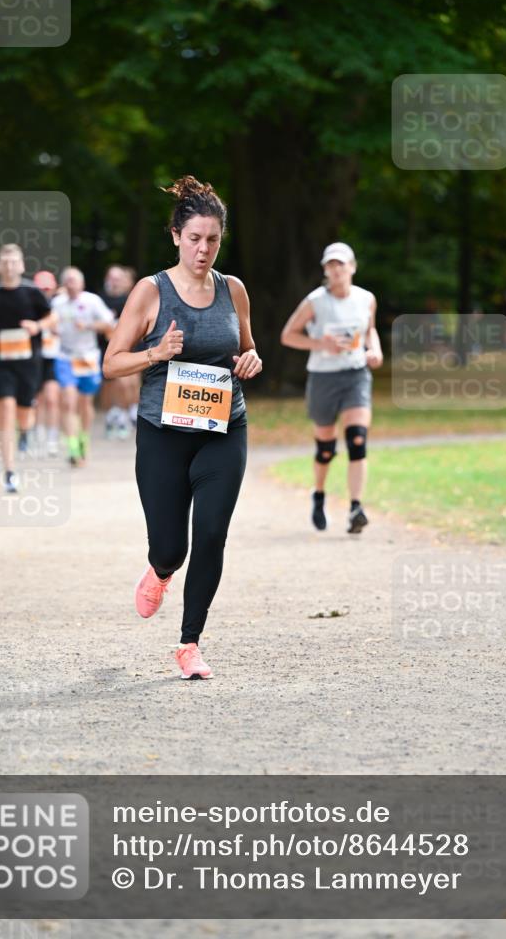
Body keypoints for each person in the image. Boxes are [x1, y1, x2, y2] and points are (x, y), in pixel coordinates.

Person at [104, 176, 262, 680]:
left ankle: (189, 643)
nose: (204, 249)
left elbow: (247, 345)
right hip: (163, 434)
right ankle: (160, 571)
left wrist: (251, 360)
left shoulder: (232, 289)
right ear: (176, 235)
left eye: (213, 239)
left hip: (223, 428)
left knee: (212, 534)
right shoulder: (151, 292)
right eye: (194, 238)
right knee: (172, 546)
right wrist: (156, 352)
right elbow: (111, 364)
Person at [280, 242, 383, 533]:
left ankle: (355, 508)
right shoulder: (316, 301)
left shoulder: (366, 299)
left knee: (357, 439)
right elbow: (288, 335)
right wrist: (319, 344)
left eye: (341, 264)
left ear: (352, 267)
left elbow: (370, 330)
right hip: (323, 377)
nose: (336, 270)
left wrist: (374, 350)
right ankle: (319, 494)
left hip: (355, 374)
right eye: (330, 265)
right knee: (326, 447)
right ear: (325, 270)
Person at [0, 244, 55, 492]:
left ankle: (26, 431)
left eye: (14, 262)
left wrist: (36, 326)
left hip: (29, 363)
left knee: (24, 414)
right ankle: (9, 472)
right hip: (1, 363)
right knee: (5, 412)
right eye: (5, 262)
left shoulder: (32, 292)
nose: (10, 266)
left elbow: (51, 317)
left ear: (21, 265)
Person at [52, 266, 115, 465]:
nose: (71, 284)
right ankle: (72, 447)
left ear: (81, 283)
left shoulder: (92, 301)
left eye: (74, 280)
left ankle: (83, 438)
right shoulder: (57, 303)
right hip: (65, 356)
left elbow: (109, 323)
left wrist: (88, 326)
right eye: (67, 280)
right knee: (68, 401)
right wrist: (51, 329)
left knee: (85, 403)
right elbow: (48, 322)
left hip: (87, 357)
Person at [99, 265, 137, 439]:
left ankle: (125, 414)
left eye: (118, 278)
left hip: (129, 346)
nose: (115, 282)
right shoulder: (99, 299)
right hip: (104, 347)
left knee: (127, 382)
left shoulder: (131, 299)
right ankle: (111, 414)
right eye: (112, 278)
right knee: (109, 384)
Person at [33, 270, 61, 456]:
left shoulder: (59, 305)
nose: (45, 292)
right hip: (34, 357)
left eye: (47, 289)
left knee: (51, 399)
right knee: (36, 400)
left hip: (53, 355)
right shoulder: (29, 305)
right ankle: (36, 435)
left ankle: (52, 438)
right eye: (41, 289)